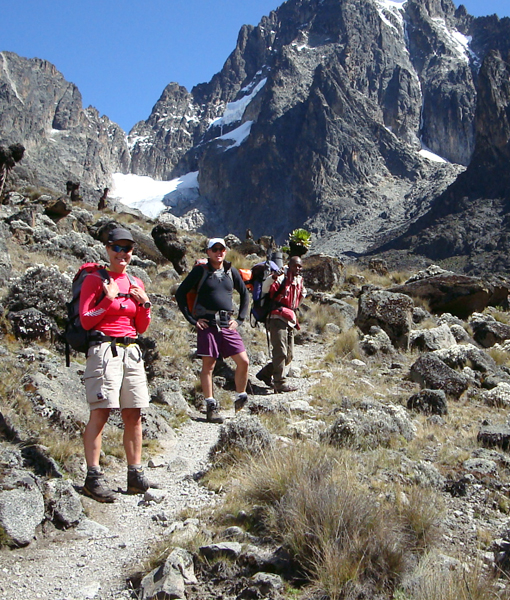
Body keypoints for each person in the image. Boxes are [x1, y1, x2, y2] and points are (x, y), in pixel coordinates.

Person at [80, 227, 156, 502]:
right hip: (103, 350)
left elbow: (141, 327)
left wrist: (145, 304)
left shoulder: (136, 282)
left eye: (128, 248)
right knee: (101, 412)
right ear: (107, 249)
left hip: (132, 350)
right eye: (117, 248)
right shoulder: (94, 280)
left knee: (134, 413)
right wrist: (108, 297)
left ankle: (134, 474)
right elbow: (87, 319)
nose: (123, 253)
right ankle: (93, 476)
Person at [175, 238, 250, 423]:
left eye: (221, 249)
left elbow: (245, 293)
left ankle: (241, 397)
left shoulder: (231, 272)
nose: (219, 252)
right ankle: (210, 405)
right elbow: (180, 293)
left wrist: (240, 319)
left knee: (244, 361)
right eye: (214, 249)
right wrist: (192, 320)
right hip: (207, 324)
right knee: (209, 365)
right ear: (208, 252)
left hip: (227, 323)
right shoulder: (200, 271)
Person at [256, 256, 306, 393]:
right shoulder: (280, 278)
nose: (298, 268)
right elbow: (265, 289)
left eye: (300, 266)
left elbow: (301, 296)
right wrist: (273, 277)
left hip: (290, 319)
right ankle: (279, 383)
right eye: (295, 266)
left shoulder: (299, 280)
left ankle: (265, 373)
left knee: (289, 355)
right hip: (276, 317)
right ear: (289, 265)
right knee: (280, 352)